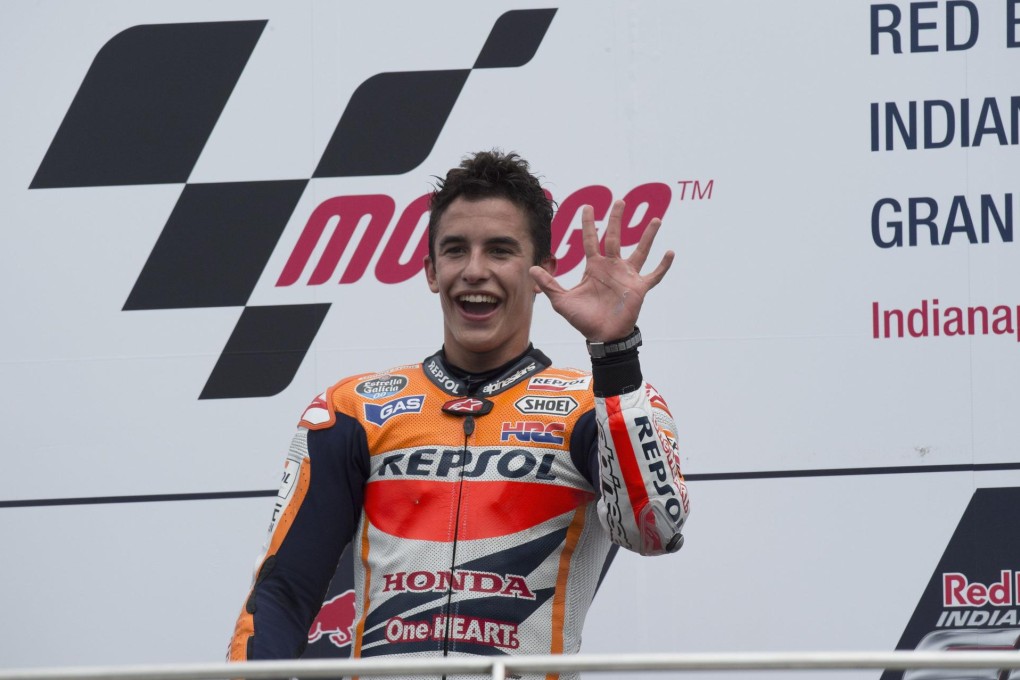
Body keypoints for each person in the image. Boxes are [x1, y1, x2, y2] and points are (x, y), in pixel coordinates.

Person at [228, 150, 689, 676]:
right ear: (430, 271)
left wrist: (616, 356)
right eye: (454, 251)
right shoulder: (354, 409)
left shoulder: (595, 404)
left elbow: (654, 531)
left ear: (543, 274)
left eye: (500, 251)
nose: (474, 271)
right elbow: (284, 589)